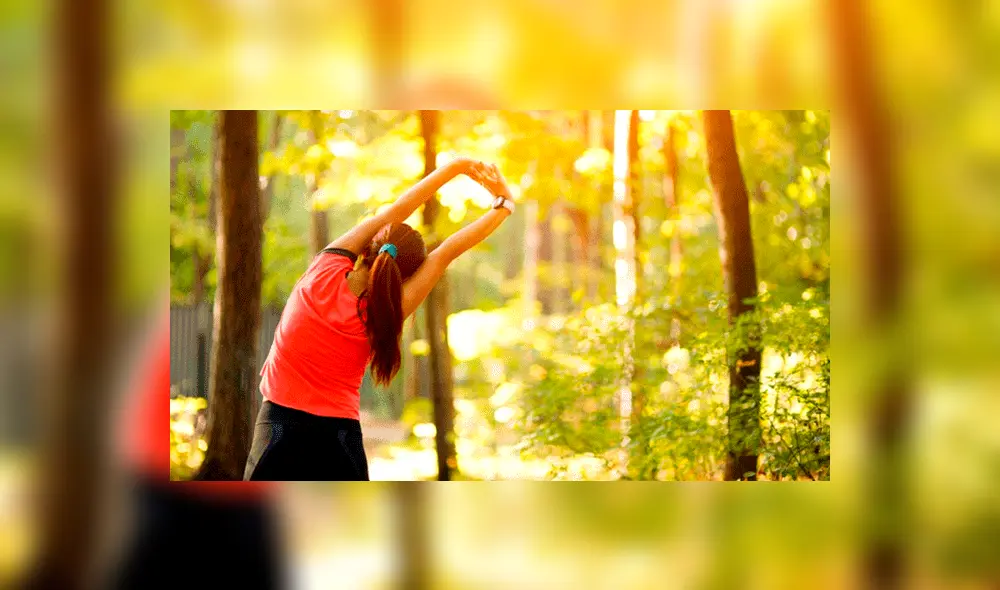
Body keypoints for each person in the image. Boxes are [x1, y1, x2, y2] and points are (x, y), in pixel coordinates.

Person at [244, 157, 516, 481]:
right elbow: (444, 254)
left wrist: (455, 167)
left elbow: (395, 210)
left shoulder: (325, 268)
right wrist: (503, 205)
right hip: (337, 439)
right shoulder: (383, 315)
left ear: (370, 247)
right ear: (402, 279)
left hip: (277, 425)